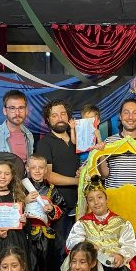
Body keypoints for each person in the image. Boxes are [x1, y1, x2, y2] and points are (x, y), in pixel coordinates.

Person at [66, 175, 136, 271]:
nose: (96, 202)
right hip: (91, 264)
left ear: (106, 199)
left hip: (113, 264)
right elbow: (72, 242)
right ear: (88, 203)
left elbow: (130, 244)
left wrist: (121, 255)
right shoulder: (82, 223)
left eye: (99, 197)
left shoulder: (122, 223)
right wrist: (87, 246)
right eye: (91, 200)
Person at [35, 99, 81, 244]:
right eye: (54, 115)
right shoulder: (45, 143)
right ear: (48, 120)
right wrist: (77, 181)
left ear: (69, 116)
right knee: (61, 249)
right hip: (59, 207)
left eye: (63, 114)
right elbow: (48, 175)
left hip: (83, 204)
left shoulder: (79, 138)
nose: (60, 118)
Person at [24, 154, 67, 271]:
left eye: (41, 168)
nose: (37, 171)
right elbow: (13, 208)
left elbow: (62, 208)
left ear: (45, 170)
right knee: (29, 267)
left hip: (47, 237)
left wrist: (52, 209)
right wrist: (24, 201)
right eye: (33, 167)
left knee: (48, 270)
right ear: (27, 168)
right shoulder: (21, 188)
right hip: (28, 236)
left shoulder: (51, 189)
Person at [98, 99, 136, 189]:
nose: (130, 117)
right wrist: (101, 153)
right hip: (113, 195)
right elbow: (103, 175)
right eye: (126, 112)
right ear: (120, 116)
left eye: (135, 113)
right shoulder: (109, 142)